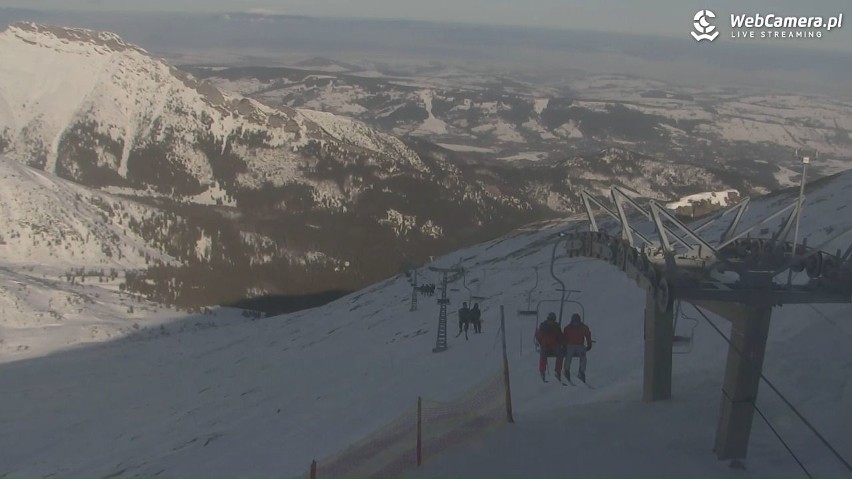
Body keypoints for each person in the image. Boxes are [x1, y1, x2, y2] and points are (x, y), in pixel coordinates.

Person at [562, 313, 592, 383]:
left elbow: (588, 335)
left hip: (579, 345)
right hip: (570, 345)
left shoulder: (583, 327)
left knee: (583, 356)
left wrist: (589, 344)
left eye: (577, 322)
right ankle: (566, 370)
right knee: (568, 355)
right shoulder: (567, 328)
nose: (575, 324)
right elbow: (564, 338)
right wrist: (563, 346)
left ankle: (581, 372)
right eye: (574, 322)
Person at [534, 313, 563, 381]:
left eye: (552, 320)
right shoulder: (543, 326)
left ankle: (558, 371)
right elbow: (538, 335)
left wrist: (561, 342)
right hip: (545, 344)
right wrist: (539, 342)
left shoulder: (556, 327)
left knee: (560, 353)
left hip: (554, 345)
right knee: (543, 354)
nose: (551, 322)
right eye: (550, 320)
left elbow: (560, 336)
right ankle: (542, 371)